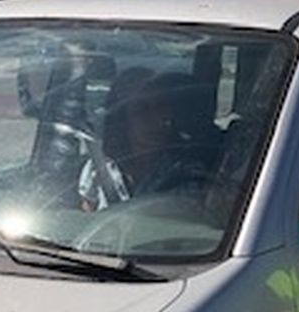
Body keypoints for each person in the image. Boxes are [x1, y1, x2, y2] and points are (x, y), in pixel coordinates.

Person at [78, 70, 217, 211]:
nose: (155, 119)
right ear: (123, 117)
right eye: (142, 109)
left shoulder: (188, 172)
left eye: (160, 107)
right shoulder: (98, 166)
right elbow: (88, 212)